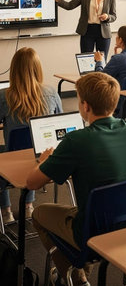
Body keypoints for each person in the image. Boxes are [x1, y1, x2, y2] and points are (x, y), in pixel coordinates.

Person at [26, 72, 126, 286]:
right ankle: (80, 275)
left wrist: (43, 161)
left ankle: (73, 275)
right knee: (87, 209)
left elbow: (32, 183)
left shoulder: (76, 140)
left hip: (93, 231)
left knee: (39, 213)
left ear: (84, 106)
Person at [0, 47, 62, 224]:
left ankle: (6, 211)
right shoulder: (51, 93)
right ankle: (28, 207)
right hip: (45, 159)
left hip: (12, 158)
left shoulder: (4, 96)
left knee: (7, 153)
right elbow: (61, 122)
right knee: (36, 146)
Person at [44, 0, 116, 60]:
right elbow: (70, 5)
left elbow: (114, 16)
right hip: (87, 31)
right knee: (85, 62)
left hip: (103, 33)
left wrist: (107, 16)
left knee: (101, 62)